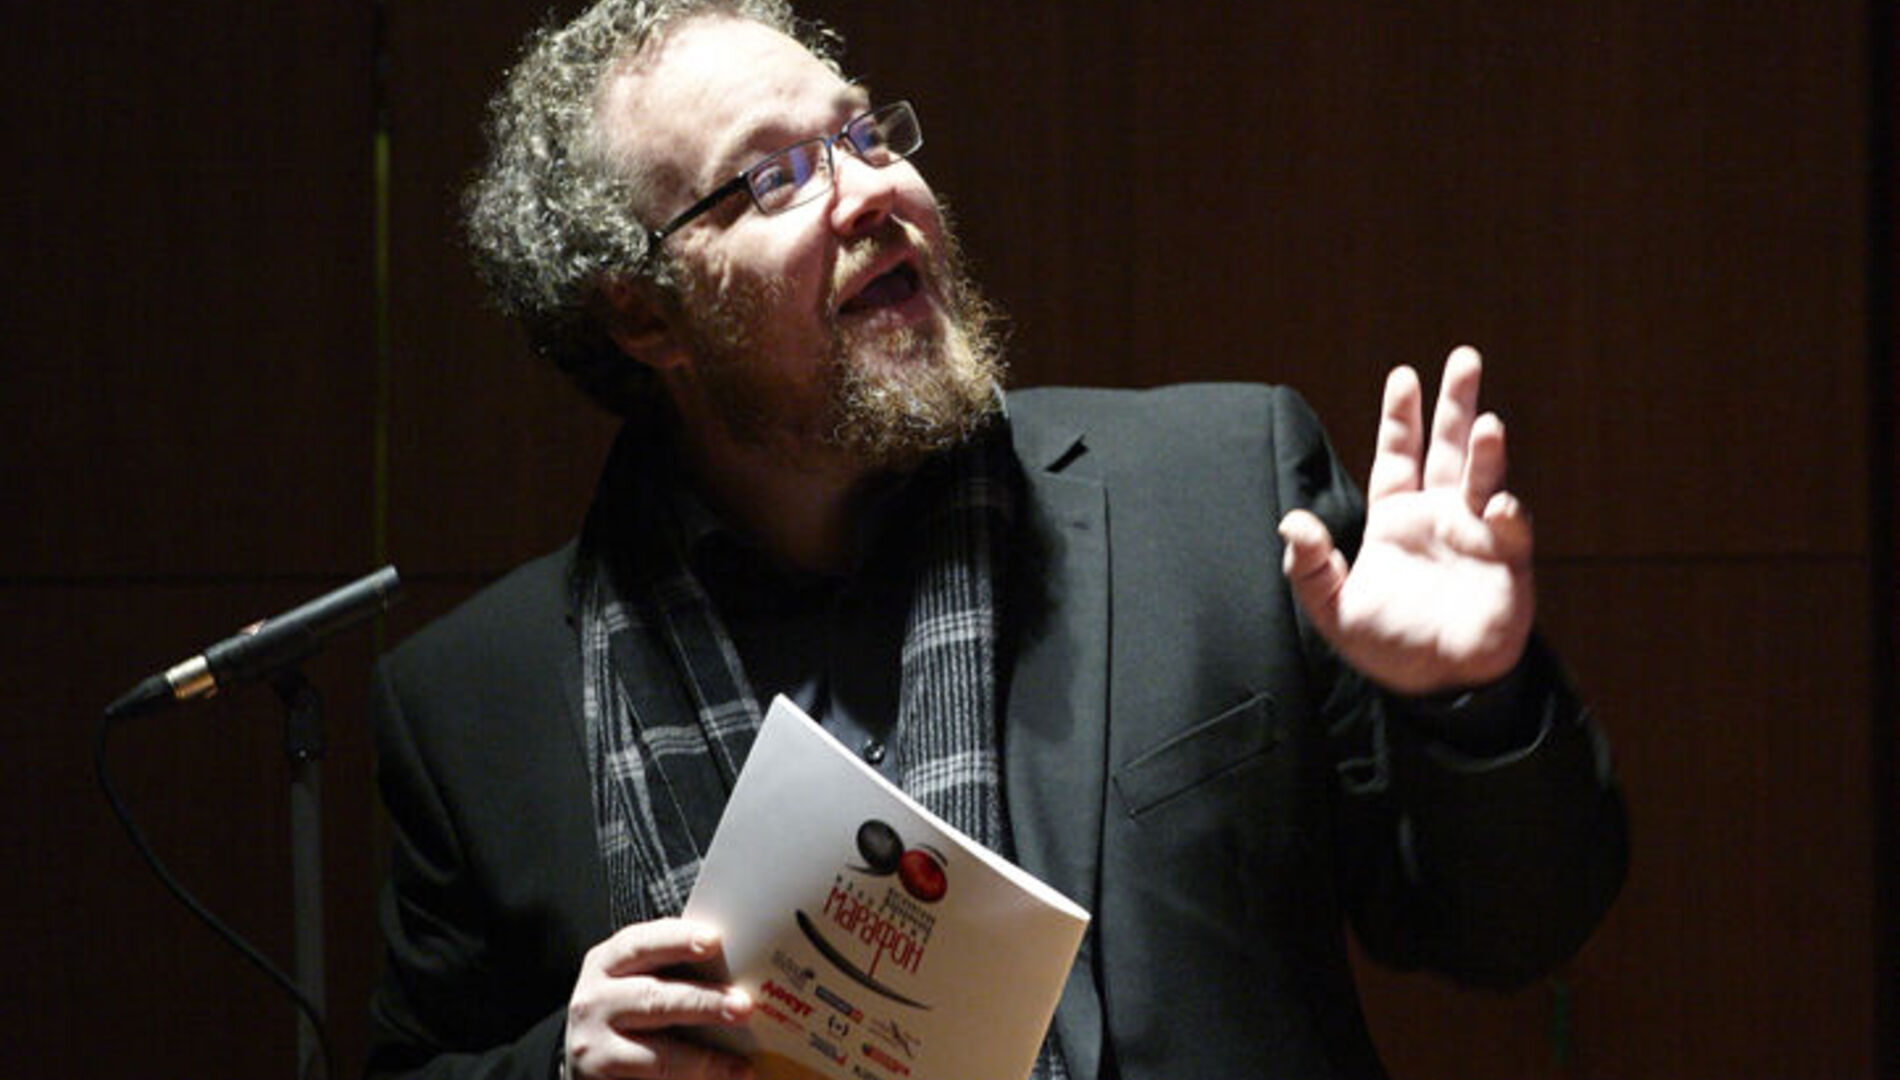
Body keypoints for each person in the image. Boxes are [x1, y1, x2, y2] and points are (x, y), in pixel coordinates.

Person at [366, 2, 1628, 1078]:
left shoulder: (1219, 491)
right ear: (644, 317)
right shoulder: (473, 705)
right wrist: (560, 1064)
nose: (875, 190)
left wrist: (1470, 702)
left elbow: (1511, 930)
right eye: (779, 177)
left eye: (864, 134)